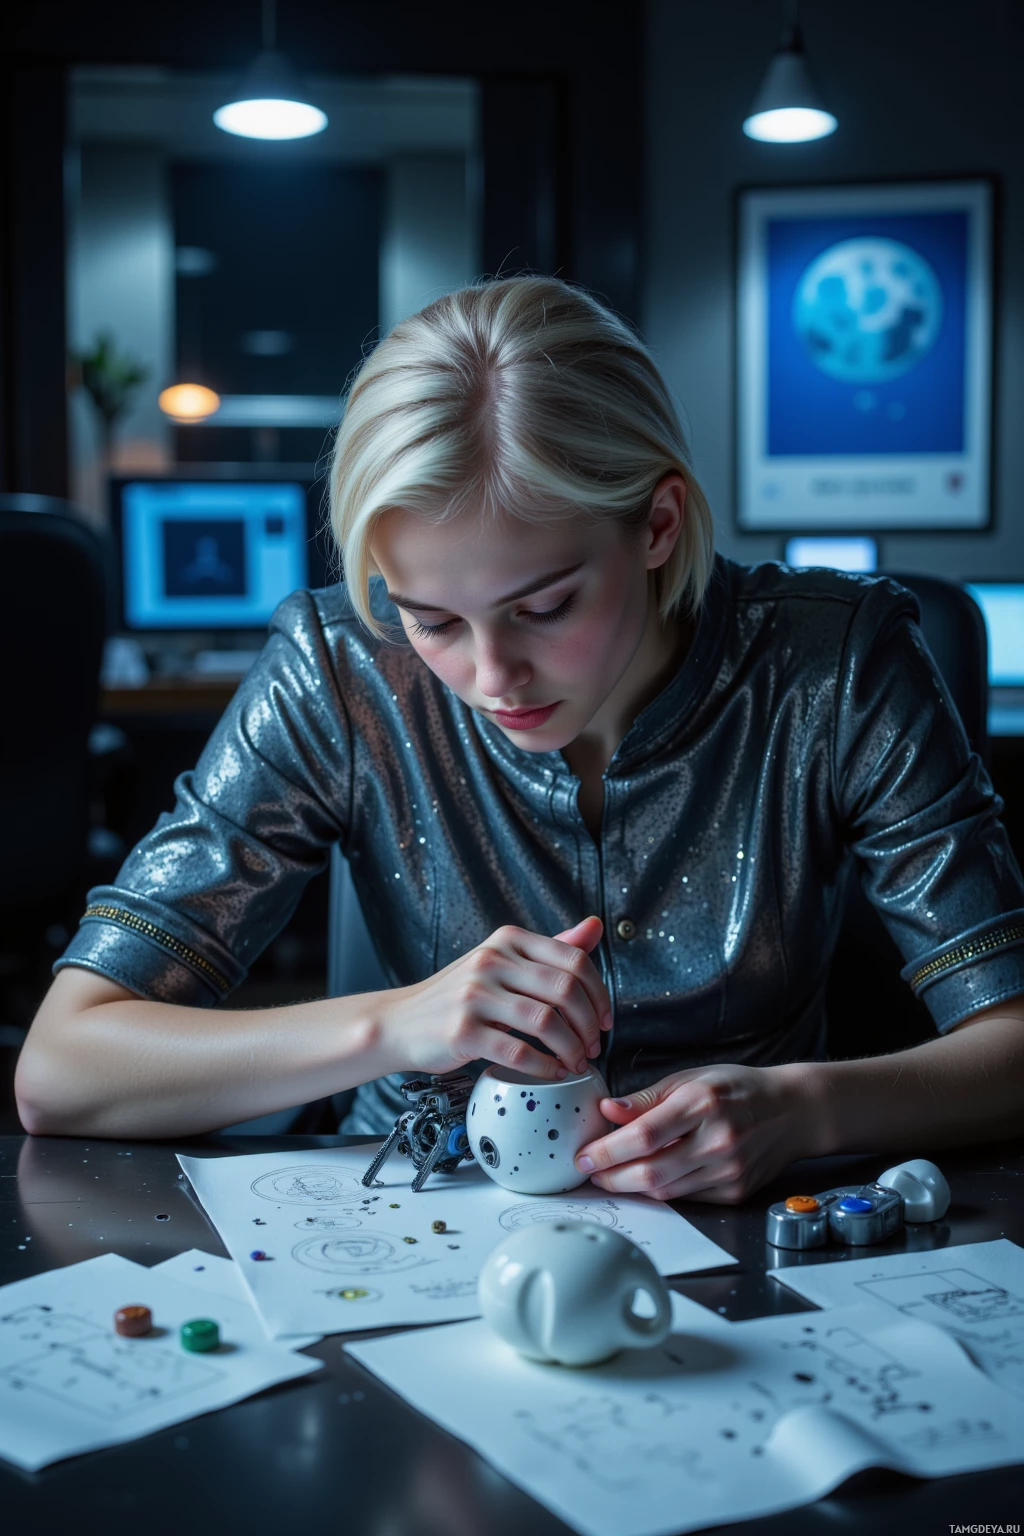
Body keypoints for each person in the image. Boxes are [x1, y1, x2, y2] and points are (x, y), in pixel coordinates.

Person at [16, 275, 1024, 1203]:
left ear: (658, 524)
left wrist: (807, 1109)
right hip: (413, 1215)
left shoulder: (837, 663)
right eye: (431, 620)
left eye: (544, 607)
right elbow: (63, 1068)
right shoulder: (337, 666)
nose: (492, 679)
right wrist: (393, 1023)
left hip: (751, 1224)